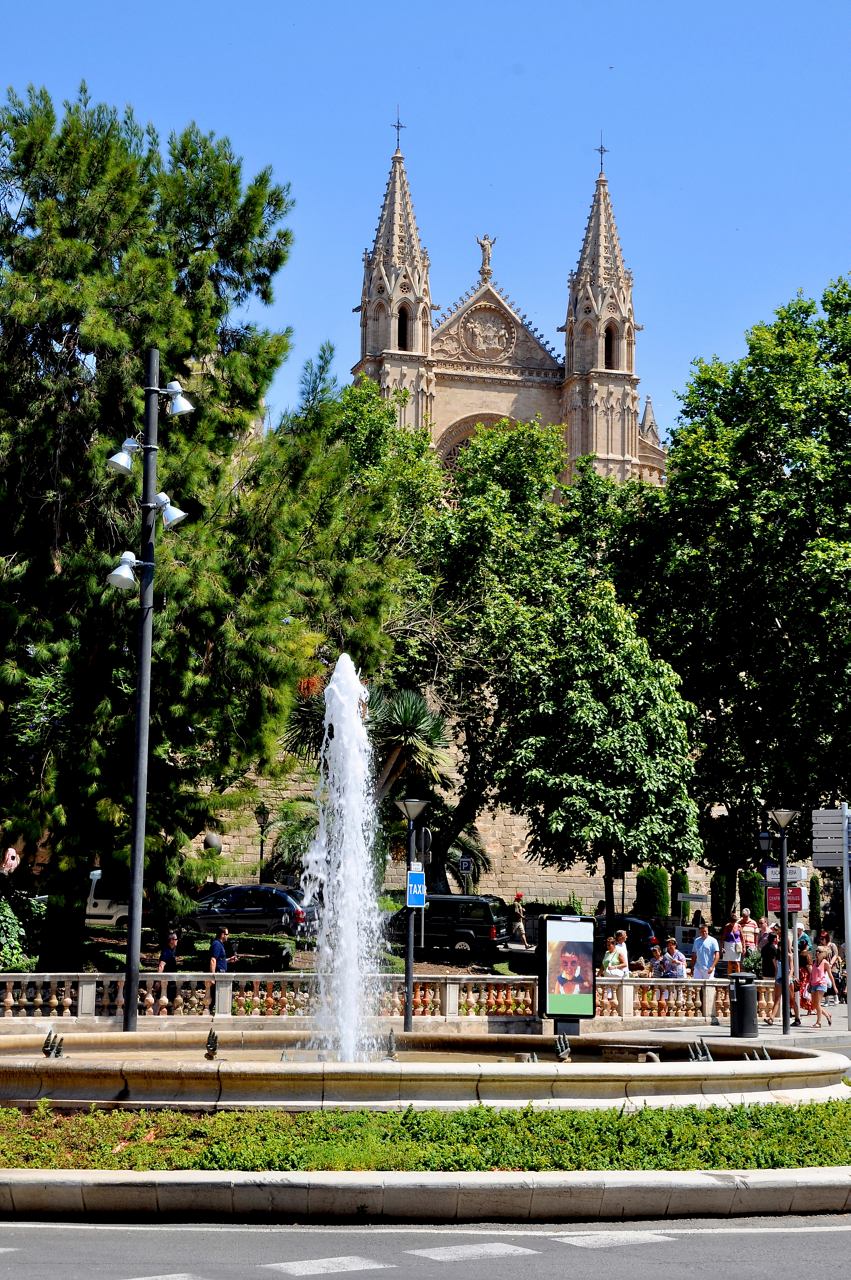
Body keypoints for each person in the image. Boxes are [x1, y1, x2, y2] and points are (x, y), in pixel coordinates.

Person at [809, 946, 839, 1028]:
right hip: (813, 984)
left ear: (824, 954)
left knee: (818, 1004)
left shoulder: (825, 963)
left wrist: (834, 987)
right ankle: (827, 1015)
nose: (817, 953)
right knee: (814, 1004)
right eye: (816, 951)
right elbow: (812, 973)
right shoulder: (814, 961)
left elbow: (830, 975)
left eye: (819, 951)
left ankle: (818, 1022)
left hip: (821, 984)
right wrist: (810, 982)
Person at [157, 930, 180, 1007]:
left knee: (169, 1001)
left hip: (171, 981)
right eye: (176, 939)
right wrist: (158, 981)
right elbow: (161, 966)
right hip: (166, 982)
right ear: (171, 940)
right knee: (162, 1001)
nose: (177, 941)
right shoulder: (166, 951)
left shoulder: (172, 950)